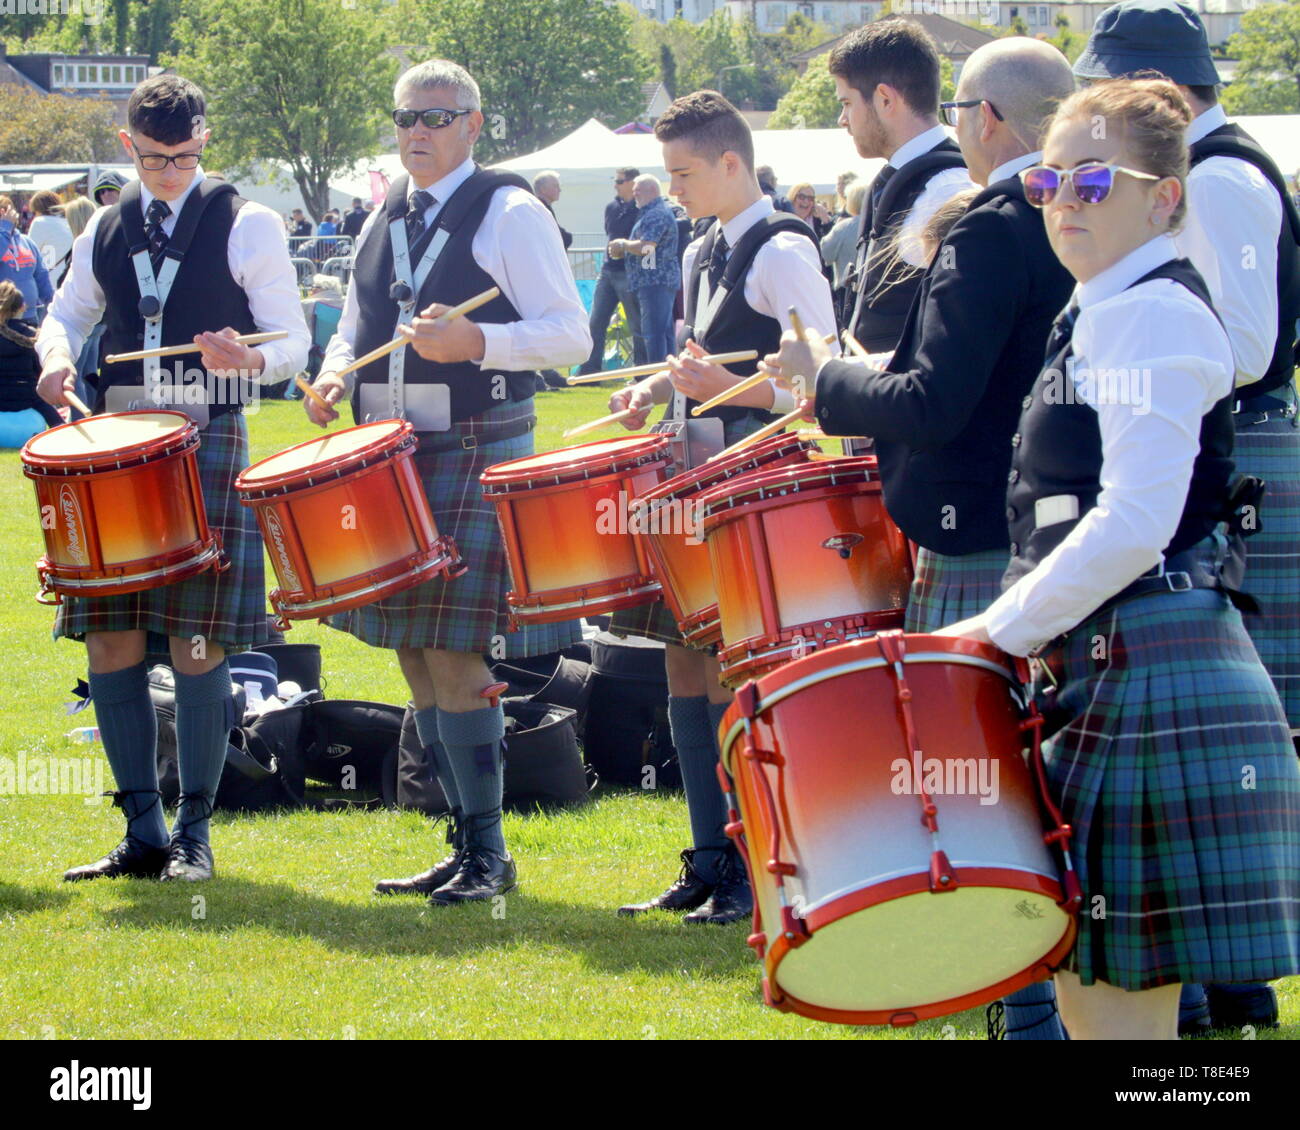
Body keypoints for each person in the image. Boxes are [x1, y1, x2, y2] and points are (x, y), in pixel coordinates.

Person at [933, 78, 1300, 1041]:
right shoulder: (1104, 306)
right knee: (1098, 1003)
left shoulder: (1155, 315)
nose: (1061, 202)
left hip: (1151, 658)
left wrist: (989, 632)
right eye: (1050, 180)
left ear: (1165, 196)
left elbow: (1138, 519)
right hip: (1113, 660)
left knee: (1121, 1021)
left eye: (1093, 182)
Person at [764, 37, 1079, 1039]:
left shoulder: (995, 222)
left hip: (983, 533)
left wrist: (823, 381)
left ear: (984, 116)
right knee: (1063, 779)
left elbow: (934, 401)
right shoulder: (1094, 211)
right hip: (1083, 533)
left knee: (993, 792)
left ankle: (1024, 1017)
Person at [306, 59, 590, 906]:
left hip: (473, 446)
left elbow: (571, 336)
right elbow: (355, 325)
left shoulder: (509, 209)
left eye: (437, 116)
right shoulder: (380, 215)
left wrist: (482, 346)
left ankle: (491, 855)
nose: (418, 131)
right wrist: (328, 377)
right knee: (411, 652)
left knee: (455, 653)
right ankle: (462, 841)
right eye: (406, 117)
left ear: (474, 123)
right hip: (388, 453)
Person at [1072, 0, 1300, 1036]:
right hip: (1224, 450)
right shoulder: (1201, 171)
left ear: (1159, 88)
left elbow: (1245, 345)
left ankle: (1218, 984)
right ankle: (1212, 989)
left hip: (1238, 447)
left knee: (1233, 731)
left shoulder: (1219, 176)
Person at [35, 73, 309, 884]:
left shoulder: (248, 222)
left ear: (204, 140)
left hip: (209, 444)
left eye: (185, 156)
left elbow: (294, 339)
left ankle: (195, 833)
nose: (170, 173)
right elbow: (65, 314)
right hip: (116, 454)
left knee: (197, 644)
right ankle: (142, 831)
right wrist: (53, 358)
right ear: (129, 146)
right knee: (110, 638)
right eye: (155, 159)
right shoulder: (106, 229)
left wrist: (255, 358)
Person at [608, 90, 837, 926]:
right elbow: (696, 362)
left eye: (685, 173)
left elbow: (827, 377)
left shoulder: (781, 250)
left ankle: (754, 866)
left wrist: (733, 388)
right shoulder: (705, 244)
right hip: (697, 476)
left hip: (758, 486)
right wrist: (651, 386)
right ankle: (709, 860)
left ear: (732, 163)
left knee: (740, 669)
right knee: (684, 660)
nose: (673, 190)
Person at [831, 18, 974, 354]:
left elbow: (957, 343)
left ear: (884, 99)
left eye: (846, 103)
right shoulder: (900, 181)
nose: (842, 119)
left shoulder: (948, 189)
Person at [576, 167, 642, 373]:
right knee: (596, 321)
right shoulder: (611, 207)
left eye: (620, 181)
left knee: (635, 324)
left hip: (629, 272)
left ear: (633, 183)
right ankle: (589, 371)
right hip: (607, 270)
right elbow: (609, 231)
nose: (616, 185)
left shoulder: (642, 208)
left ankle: (641, 370)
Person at [614, 174, 679, 364]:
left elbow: (647, 247)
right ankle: (667, 379)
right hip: (655, 281)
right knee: (663, 334)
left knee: (654, 335)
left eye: (637, 192)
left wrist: (623, 245)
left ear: (652, 190)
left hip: (655, 282)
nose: (634, 196)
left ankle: (656, 379)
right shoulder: (652, 212)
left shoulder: (655, 214)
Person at [0, 280, 61, 429]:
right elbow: (40, 371)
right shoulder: (33, 336)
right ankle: (61, 429)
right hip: (27, 395)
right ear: (22, 307)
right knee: (53, 416)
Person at [0, 194, 53, 322]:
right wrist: (5, 228)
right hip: (3, 318)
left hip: (30, 315)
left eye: (7, 211)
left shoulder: (26, 242)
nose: (6, 216)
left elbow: (41, 275)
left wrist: (52, 303)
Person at [819, 181, 865, 326]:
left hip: (847, 289)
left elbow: (826, 254)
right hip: (873, 288)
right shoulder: (880, 223)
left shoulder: (843, 226)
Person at [28, 190, 73, 286]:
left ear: (38, 209)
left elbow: (30, 254)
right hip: (69, 281)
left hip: (48, 282)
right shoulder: (68, 221)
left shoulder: (40, 222)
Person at [532, 170, 573, 250]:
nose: (560, 190)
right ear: (543, 189)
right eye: (555, 186)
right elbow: (559, 237)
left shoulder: (541, 207)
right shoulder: (540, 209)